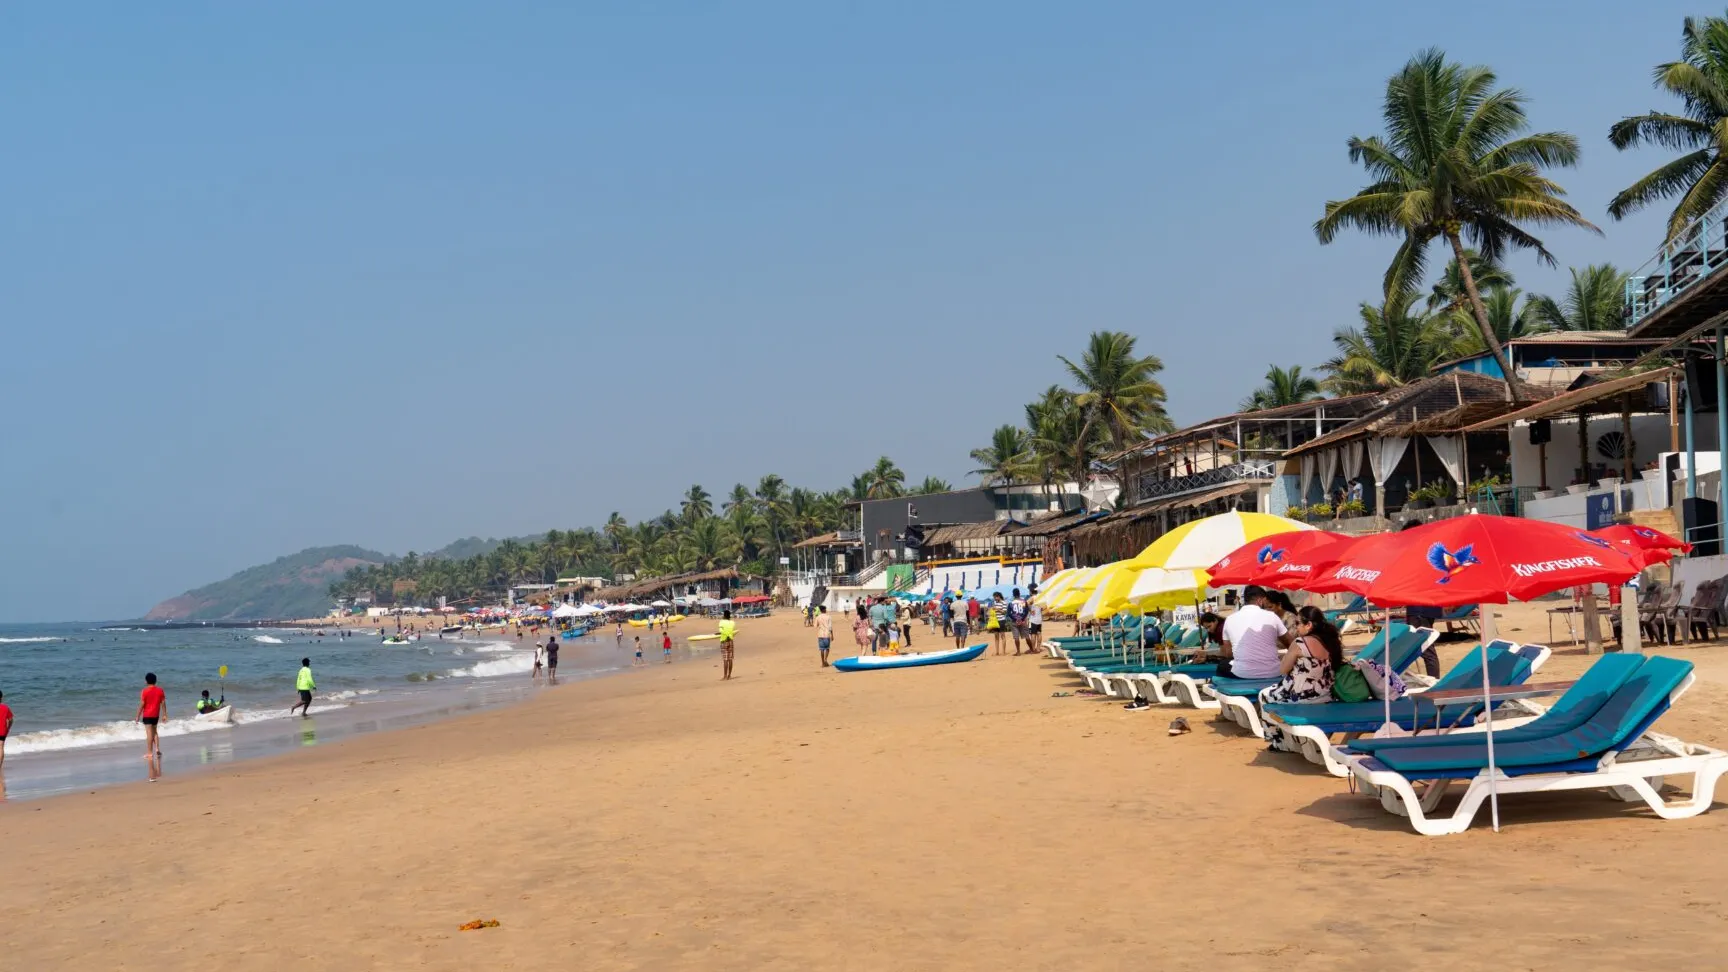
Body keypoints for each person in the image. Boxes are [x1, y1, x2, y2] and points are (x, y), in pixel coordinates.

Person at [1260, 607, 1345, 752]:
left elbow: (1283, 669)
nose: (1295, 627)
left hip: (1303, 698)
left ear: (1309, 625)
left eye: (1298, 623)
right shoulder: (1331, 642)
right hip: (1325, 695)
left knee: (1265, 696)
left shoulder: (1301, 643)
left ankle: (1280, 742)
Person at [1199, 587, 1288, 678]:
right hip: (1273, 672)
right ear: (1261, 600)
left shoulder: (1229, 620)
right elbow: (1291, 643)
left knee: (1223, 665)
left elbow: (1229, 654)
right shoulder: (1272, 616)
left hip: (1243, 674)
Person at [136, 672, 166, 758]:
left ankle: (149, 752)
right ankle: (157, 749)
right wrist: (164, 714)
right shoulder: (160, 690)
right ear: (155, 681)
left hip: (147, 715)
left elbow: (142, 704)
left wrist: (138, 715)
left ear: (146, 681)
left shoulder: (145, 691)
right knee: (155, 732)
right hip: (156, 714)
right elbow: (163, 703)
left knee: (149, 734)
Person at [1006, 588, 1031, 656]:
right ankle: (1031, 649)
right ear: (1019, 594)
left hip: (1015, 622)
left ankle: (1018, 652)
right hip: (1023, 621)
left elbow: (1008, 613)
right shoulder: (1023, 601)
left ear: (1013, 595)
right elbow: (1026, 611)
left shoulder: (1011, 603)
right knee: (1027, 636)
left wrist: (1015, 619)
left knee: (1016, 637)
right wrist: (1022, 619)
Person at [717, 610, 738, 680]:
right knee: (730, 659)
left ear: (724, 615)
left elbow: (721, 631)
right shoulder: (732, 622)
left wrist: (725, 634)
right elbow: (730, 630)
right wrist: (729, 635)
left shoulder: (721, 622)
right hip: (730, 641)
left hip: (724, 641)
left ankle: (725, 676)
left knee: (725, 659)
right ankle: (729, 675)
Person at [0, 690, 12, 766]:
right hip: (2, 730)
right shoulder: (5, 707)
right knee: (1, 747)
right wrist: (8, 728)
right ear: (1, 697)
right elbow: (11, 719)